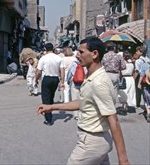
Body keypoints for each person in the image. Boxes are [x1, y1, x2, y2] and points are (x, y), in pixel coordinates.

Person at [37, 37, 129, 165]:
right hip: (94, 141)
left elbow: (114, 121)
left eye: (81, 52)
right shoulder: (91, 76)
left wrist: (123, 159)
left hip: (92, 143)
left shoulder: (99, 83)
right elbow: (82, 102)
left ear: (95, 54)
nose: (77, 56)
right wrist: (51, 107)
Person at [35, 43, 65, 126]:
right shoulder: (59, 58)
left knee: (46, 98)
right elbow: (62, 70)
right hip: (55, 79)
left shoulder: (43, 58)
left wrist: (36, 80)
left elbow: (38, 71)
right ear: (53, 49)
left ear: (45, 49)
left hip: (47, 79)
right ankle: (49, 111)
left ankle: (48, 119)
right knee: (51, 96)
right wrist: (62, 81)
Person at [134, 46, 150, 110]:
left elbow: (137, 71)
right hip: (147, 77)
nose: (136, 52)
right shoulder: (148, 59)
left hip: (140, 77)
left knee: (138, 91)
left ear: (140, 52)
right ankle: (146, 105)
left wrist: (134, 78)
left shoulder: (138, 61)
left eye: (137, 51)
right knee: (146, 91)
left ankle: (138, 104)